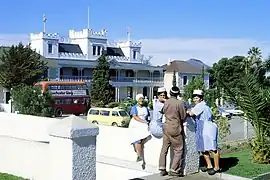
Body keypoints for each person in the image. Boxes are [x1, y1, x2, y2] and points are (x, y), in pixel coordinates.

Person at [186, 89, 220, 175]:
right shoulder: (205, 105)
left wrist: (184, 110)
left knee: (212, 148)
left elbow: (191, 114)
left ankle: (216, 167)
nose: (195, 99)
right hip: (205, 127)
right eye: (194, 97)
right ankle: (209, 166)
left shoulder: (200, 105)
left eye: (197, 98)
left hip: (206, 128)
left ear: (201, 98)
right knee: (204, 148)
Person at [158, 86, 186, 177]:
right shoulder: (180, 103)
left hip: (166, 127)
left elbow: (162, 112)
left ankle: (162, 168)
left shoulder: (166, 102)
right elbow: (183, 117)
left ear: (170, 93)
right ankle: (174, 169)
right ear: (178, 94)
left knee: (164, 149)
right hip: (175, 128)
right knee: (178, 149)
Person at [129, 94, 151, 163]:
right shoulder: (134, 108)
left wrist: (148, 122)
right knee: (137, 139)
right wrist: (143, 121)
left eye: (142, 98)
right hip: (136, 124)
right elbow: (135, 117)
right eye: (140, 99)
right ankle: (139, 155)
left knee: (145, 137)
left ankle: (139, 151)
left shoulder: (145, 108)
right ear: (137, 100)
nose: (141, 100)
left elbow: (148, 116)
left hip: (144, 124)